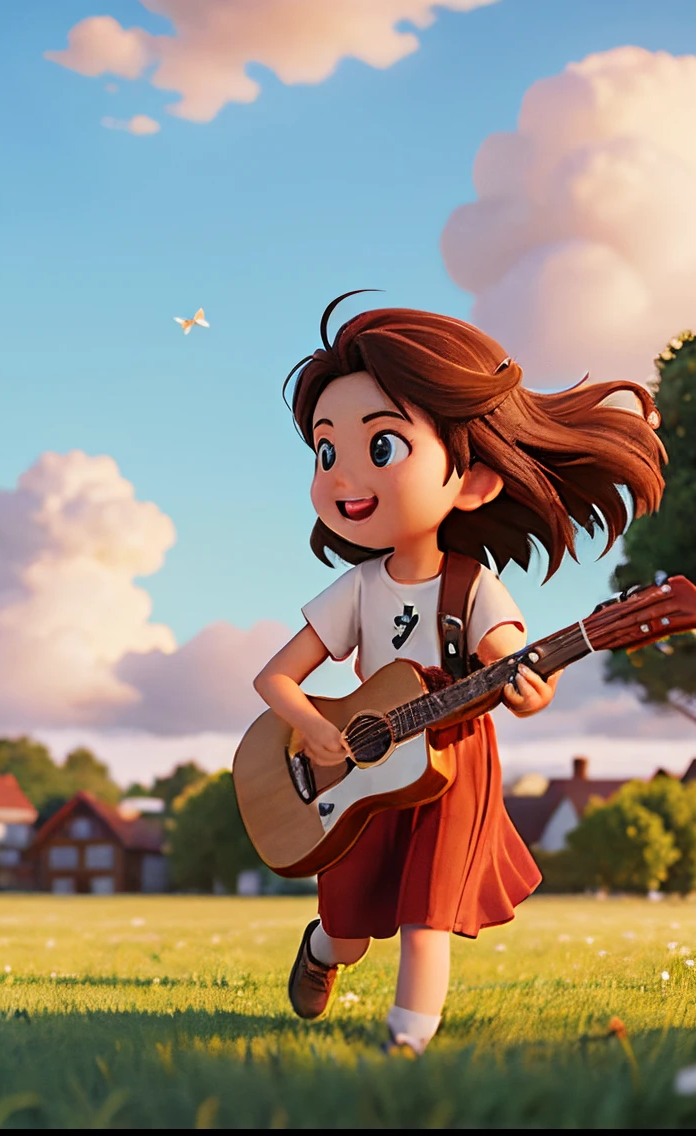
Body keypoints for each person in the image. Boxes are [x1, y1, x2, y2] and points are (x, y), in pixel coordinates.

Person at [251, 297, 665, 1053]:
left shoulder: (470, 588)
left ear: (472, 482)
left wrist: (533, 689)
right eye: (326, 450)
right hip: (357, 771)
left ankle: (406, 1044)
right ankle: (322, 950)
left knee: (427, 915)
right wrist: (317, 731)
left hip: (451, 764)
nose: (345, 476)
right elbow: (276, 680)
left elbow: (514, 657)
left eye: (381, 449)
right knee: (349, 929)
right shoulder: (357, 588)